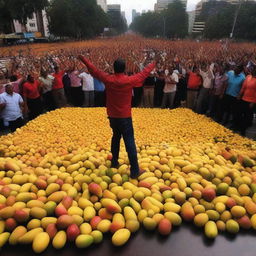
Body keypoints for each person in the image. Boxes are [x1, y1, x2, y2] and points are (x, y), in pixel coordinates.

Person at [78, 55, 156, 178]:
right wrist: (154, 63)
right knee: (129, 141)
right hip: (125, 116)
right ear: (124, 69)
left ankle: (114, 162)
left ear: (113, 69)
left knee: (116, 137)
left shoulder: (108, 79)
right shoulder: (129, 80)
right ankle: (135, 171)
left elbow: (94, 70)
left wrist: (83, 59)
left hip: (113, 117)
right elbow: (144, 73)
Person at [237, 65, 256, 135]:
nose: (253, 71)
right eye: (253, 69)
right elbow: (243, 87)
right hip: (243, 99)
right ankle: (240, 127)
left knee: (246, 116)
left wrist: (253, 102)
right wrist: (239, 94)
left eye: (254, 70)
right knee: (240, 113)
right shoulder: (248, 77)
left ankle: (243, 131)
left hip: (251, 101)